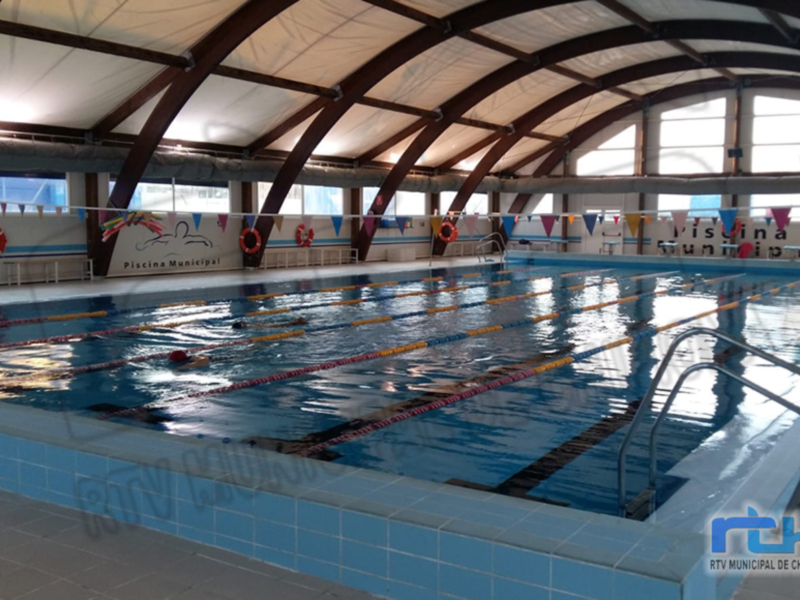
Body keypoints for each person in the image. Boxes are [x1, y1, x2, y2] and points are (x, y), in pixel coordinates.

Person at [232, 317, 308, 330]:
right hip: (268, 327)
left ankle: (296, 322)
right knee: (282, 324)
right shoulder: (250, 327)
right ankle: (297, 322)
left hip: (267, 326)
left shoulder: (250, 326)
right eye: (242, 322)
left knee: (283, 324)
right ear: (242, 325)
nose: (244, 322)